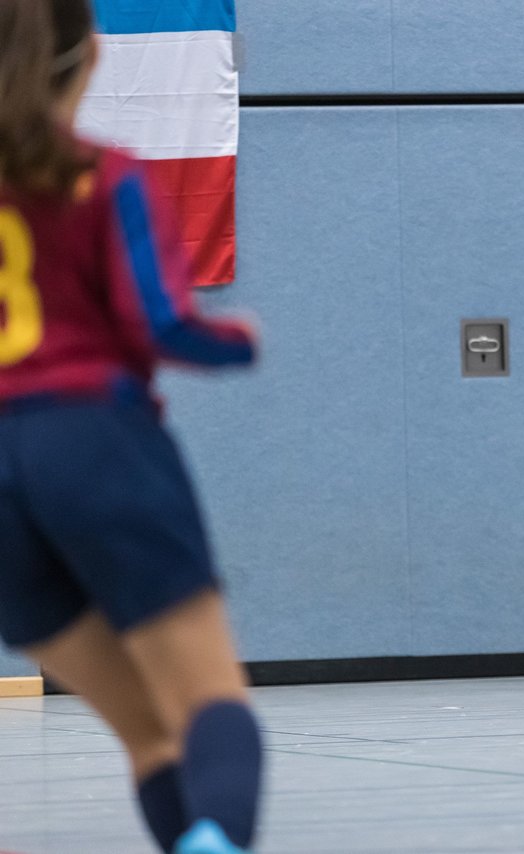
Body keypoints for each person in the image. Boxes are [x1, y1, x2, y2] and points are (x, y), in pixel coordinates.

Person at [0, 1, 263, 851]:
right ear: (90, 58)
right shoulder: (101, 174)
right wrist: (236, 343)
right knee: (212, 705)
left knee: (149, 733)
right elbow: (161, 323)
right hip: (92, 439)